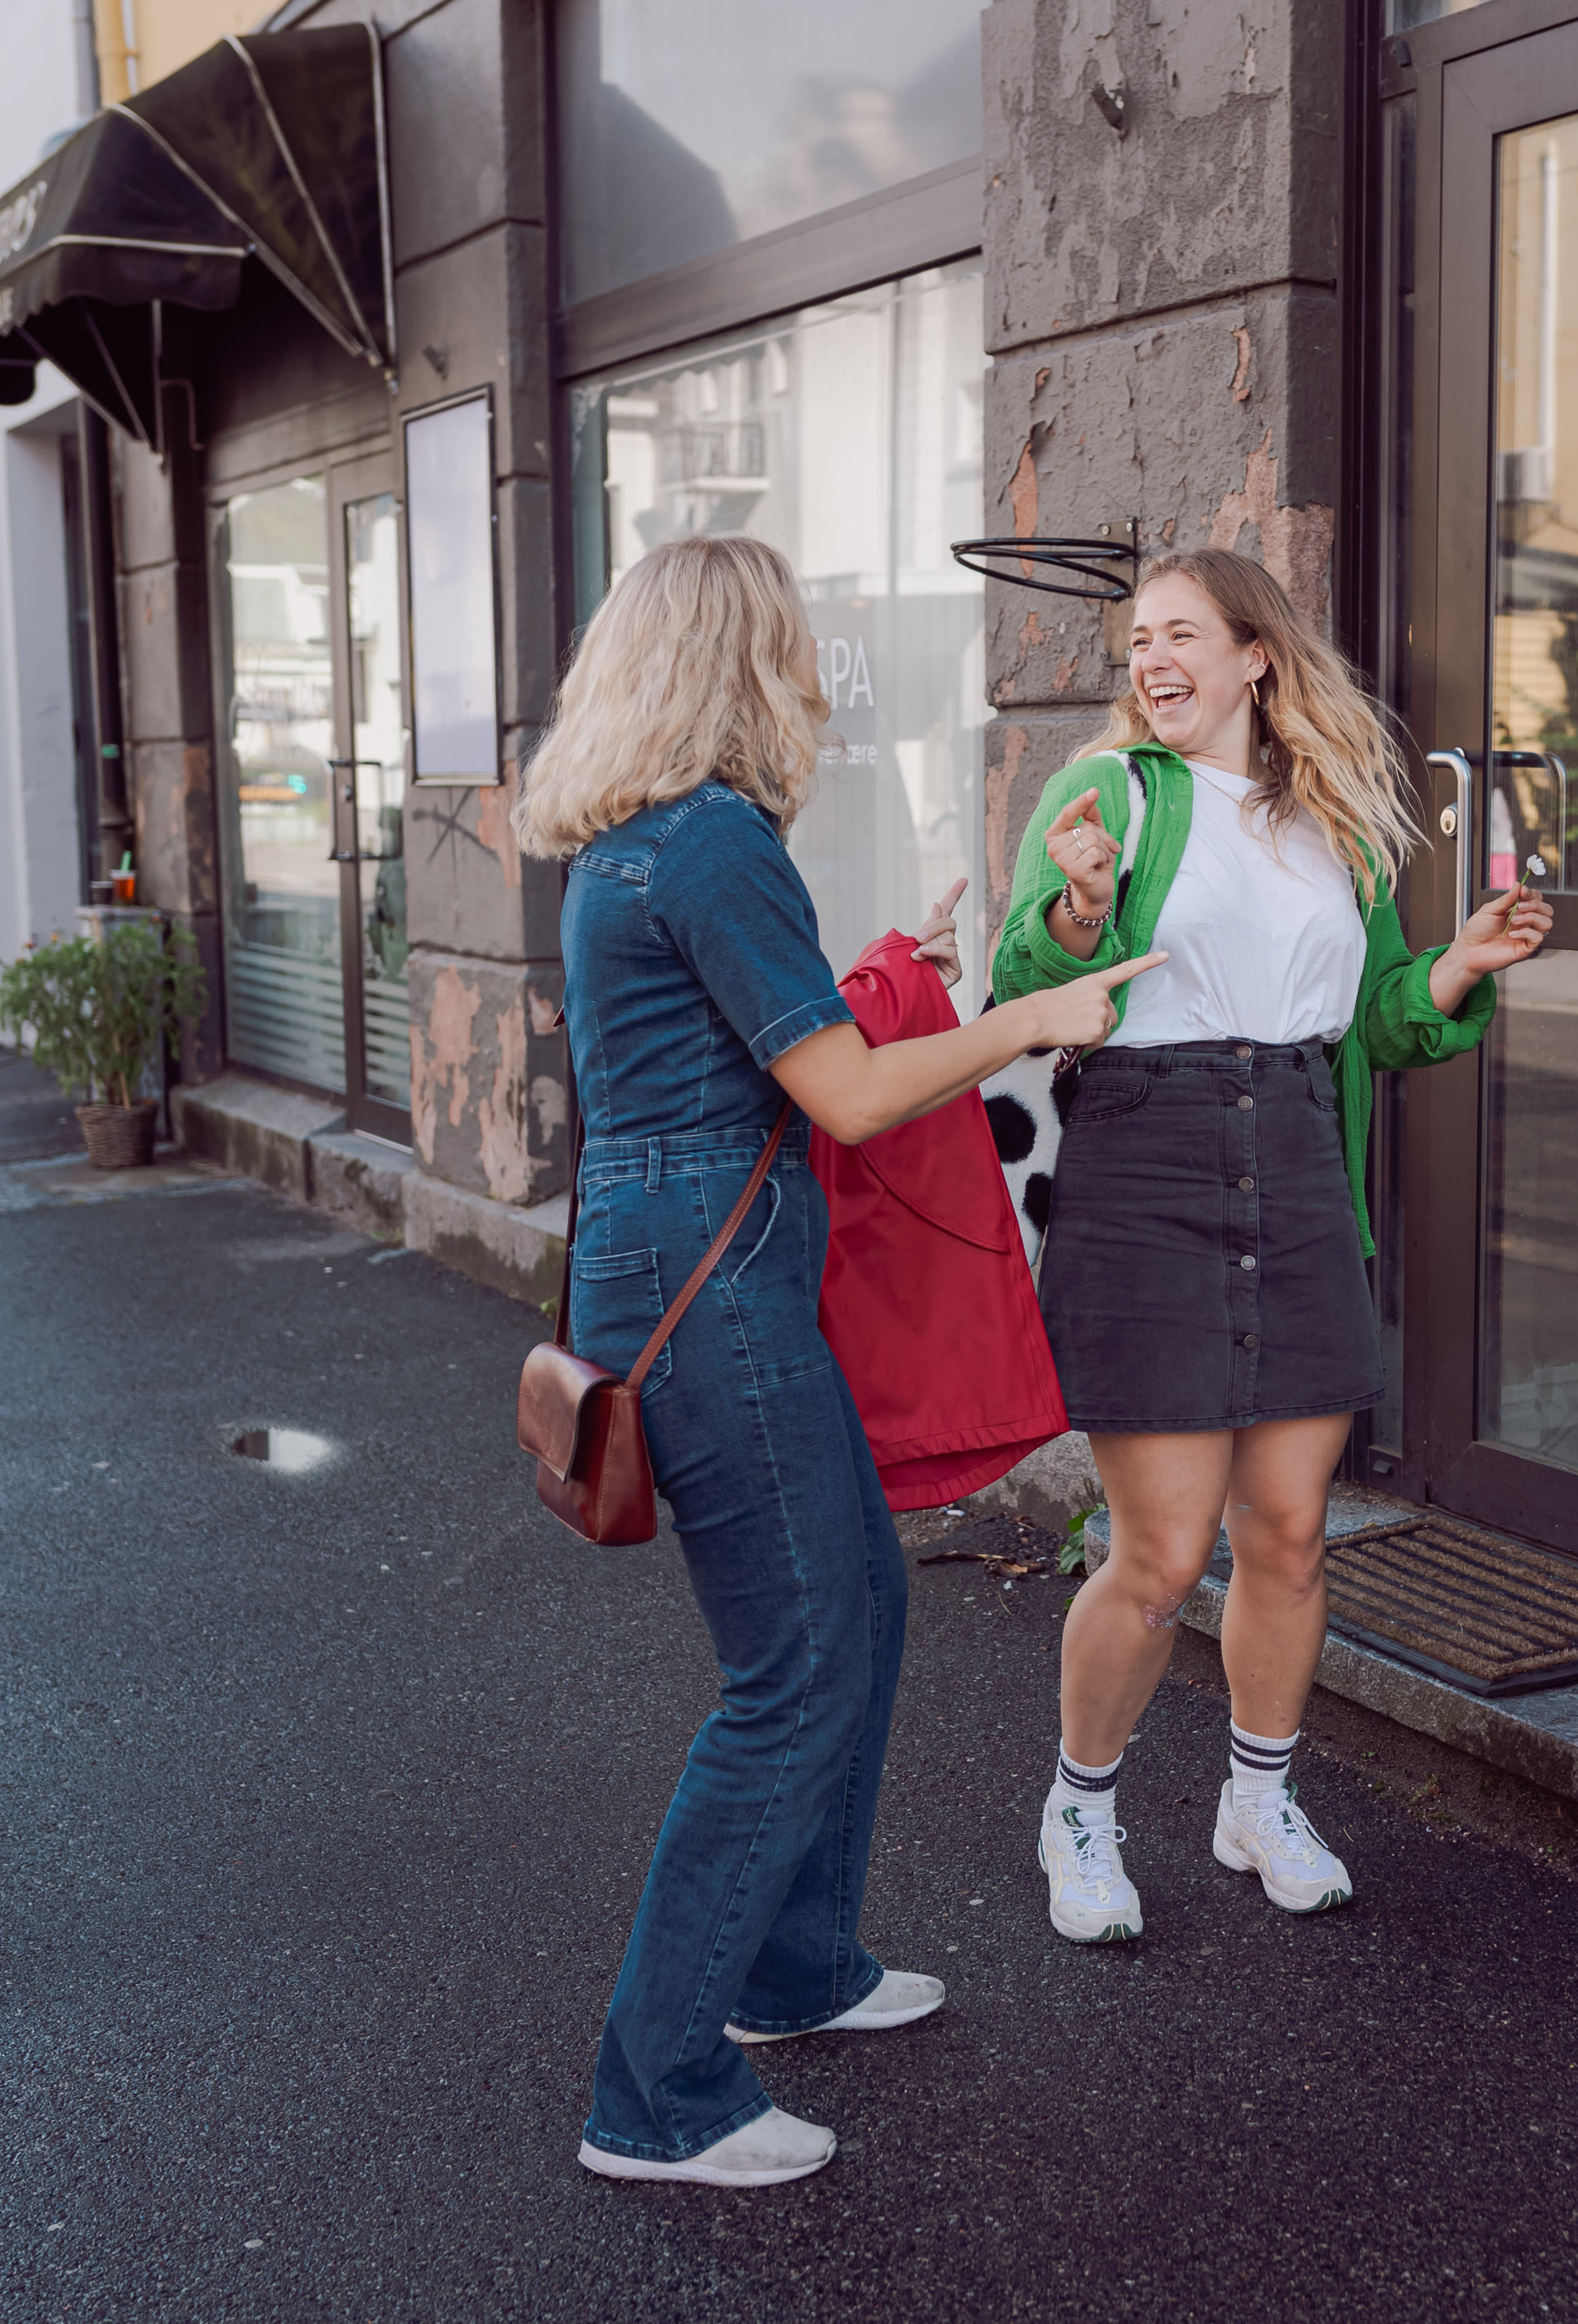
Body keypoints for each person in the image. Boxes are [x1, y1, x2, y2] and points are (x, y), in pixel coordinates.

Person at [516, 534, 1159, 2189]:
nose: (810, 666)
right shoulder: (715, 839)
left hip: (676, 1258)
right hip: (714, 1282)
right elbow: (854, 1096)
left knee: (855, 1602)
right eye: (791, 643)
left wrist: (901, 962)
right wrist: (1038, 1014)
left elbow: (772, 1042)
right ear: (742, 658)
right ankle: (653, 2092)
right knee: (793, 1668)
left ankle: (795, 1968)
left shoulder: (631, 843)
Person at [989, 546, 1552, 1942]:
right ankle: (1080, 1809)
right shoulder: (1106, 792)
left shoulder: (1333, 823)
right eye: (1136, 641)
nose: (1149, 659)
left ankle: (1257, 1797)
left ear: (1255, 654)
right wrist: (1073, 906)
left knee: (1291, 1532)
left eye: (1180, 633)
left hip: (1296, 1160)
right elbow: (1019, 981)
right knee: (1163, 1551)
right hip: (1145, 1159)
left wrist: (1461, 967)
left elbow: (1374, 1021)